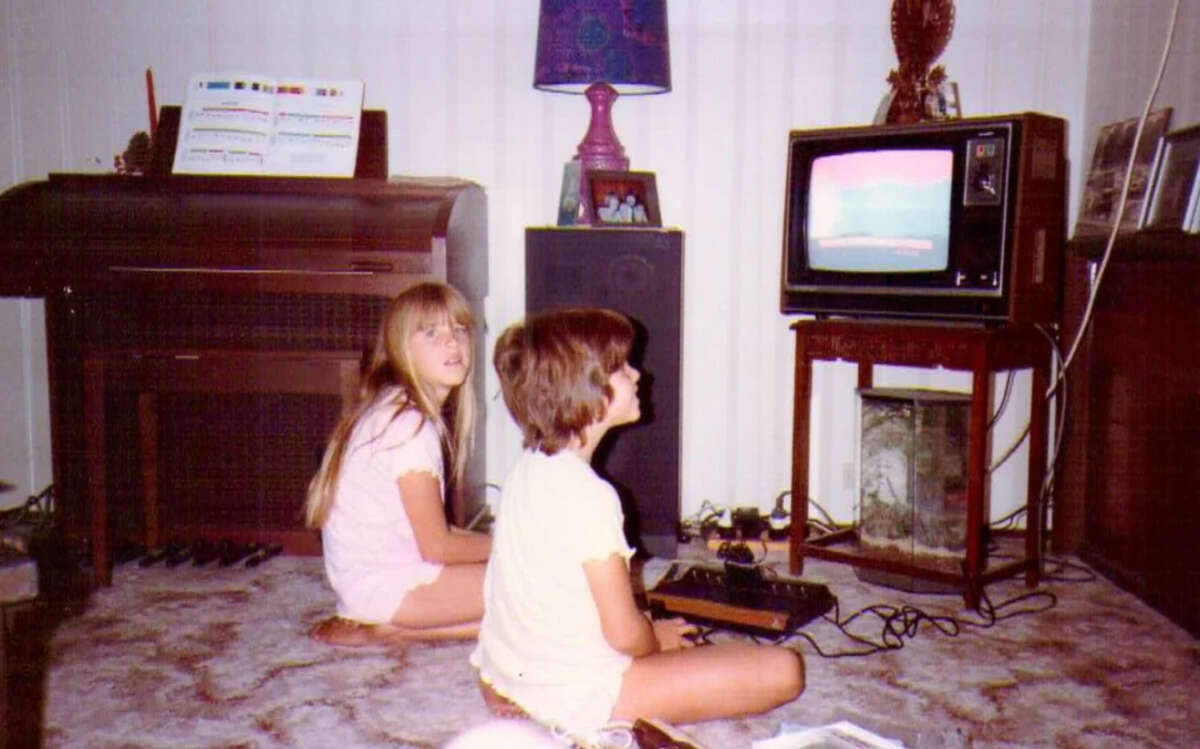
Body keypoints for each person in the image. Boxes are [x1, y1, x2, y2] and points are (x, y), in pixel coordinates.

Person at [473, 308, 804, 743]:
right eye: (621, 368)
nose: (637, 375)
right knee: (785, 670)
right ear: (586, 390)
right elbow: (624, 635)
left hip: (510, 671)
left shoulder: (527, 467)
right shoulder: (590, 496)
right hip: (578, 693)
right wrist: (655, 639)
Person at [304, 281, 491, 647]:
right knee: (546, 595)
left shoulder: (397, 407)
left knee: (540, 589)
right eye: (432, 332)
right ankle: (389, 630)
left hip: (370, 582)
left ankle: (388, 627)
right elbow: (437, 547)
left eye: (459, 330)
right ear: (402, 349)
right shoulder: (409, 426)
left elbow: (435, 533)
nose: (452, 342)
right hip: (388, 588)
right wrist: (515, 546)